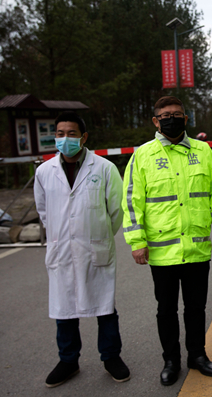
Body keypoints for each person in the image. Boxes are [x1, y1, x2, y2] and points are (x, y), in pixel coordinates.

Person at [121, 96, 212, 386]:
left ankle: (197, 355)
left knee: (196, 307)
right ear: (156, 121)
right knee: (166, 310)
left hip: (196, 248)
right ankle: (171, 360)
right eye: (166, 115)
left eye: (177, 114)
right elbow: (132, 201)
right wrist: (136, 241)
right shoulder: (143, 155)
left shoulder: (203, 152)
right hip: (162, 251)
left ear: (186, 118)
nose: (172, 119)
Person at [34, 112, 129, 387]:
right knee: (64, 309)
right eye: (60, 134)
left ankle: (111, 357)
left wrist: (98, 234)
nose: (65, 138)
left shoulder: (104, 168)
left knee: (104, 307)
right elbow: (44, 211)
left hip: (94, 247)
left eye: (71, 133)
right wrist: (62, 235)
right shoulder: (44, 172)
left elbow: (116, 210)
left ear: (84, 137)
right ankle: (68, 360)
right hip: (61, 250)